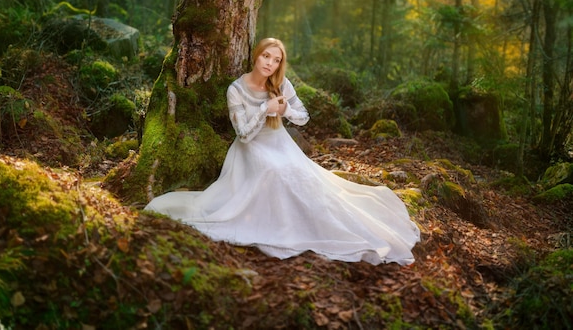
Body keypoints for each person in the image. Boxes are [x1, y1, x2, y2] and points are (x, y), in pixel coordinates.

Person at [144, 38, 420, 264]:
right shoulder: (236, 89)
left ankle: (316, 225)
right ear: (256, 56)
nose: (270, 64)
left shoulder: (282, 84)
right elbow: (243, 134)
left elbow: (303, 117)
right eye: (267, 57)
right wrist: (265, 109)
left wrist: (284, 108)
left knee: (305, 178)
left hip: (281, 143)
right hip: (250, 149)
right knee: (275, 172)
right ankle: (278, 226)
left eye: (276, 60)